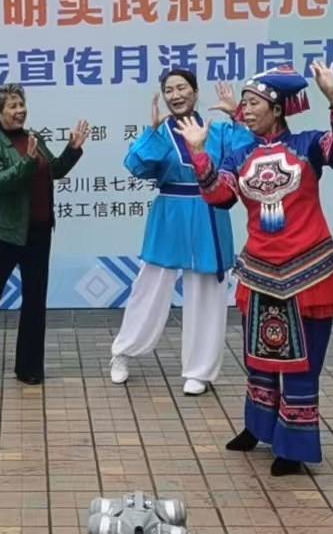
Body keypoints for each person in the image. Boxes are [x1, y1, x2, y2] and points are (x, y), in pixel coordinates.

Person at [184, 63, 333, 476]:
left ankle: (293, 445)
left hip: (308, 269)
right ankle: (258, 426)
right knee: (260, 357)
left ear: (277, 109)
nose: (244, 110)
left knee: (303, 362)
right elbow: (219, 196)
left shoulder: (307, 145)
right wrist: (199, 152)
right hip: (261, 268)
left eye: (253, 104)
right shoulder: (240, 154)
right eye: (244, 104)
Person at [107, 71, 251, 395]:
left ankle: (199, 371)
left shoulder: (219, 130)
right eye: (169, 90)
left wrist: (236, 115)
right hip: (170, 213)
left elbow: (247, 156)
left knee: (207, 292)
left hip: (209, 211)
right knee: (150, 287)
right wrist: (153, 132)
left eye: (182, 87)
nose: (175, 95)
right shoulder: (160, 132)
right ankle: (123, 351)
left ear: (195, 92)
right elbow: (136, 166)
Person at [0, 84, 86, 385]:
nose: (19, 111)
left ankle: (29, 367)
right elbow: (0, 182)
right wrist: (27, 161)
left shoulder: (34, 137)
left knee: (35, 299)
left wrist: (72, 150)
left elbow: (54, 170)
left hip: (39, 231)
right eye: (12, 106)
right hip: (5, 234)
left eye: (21, 104)